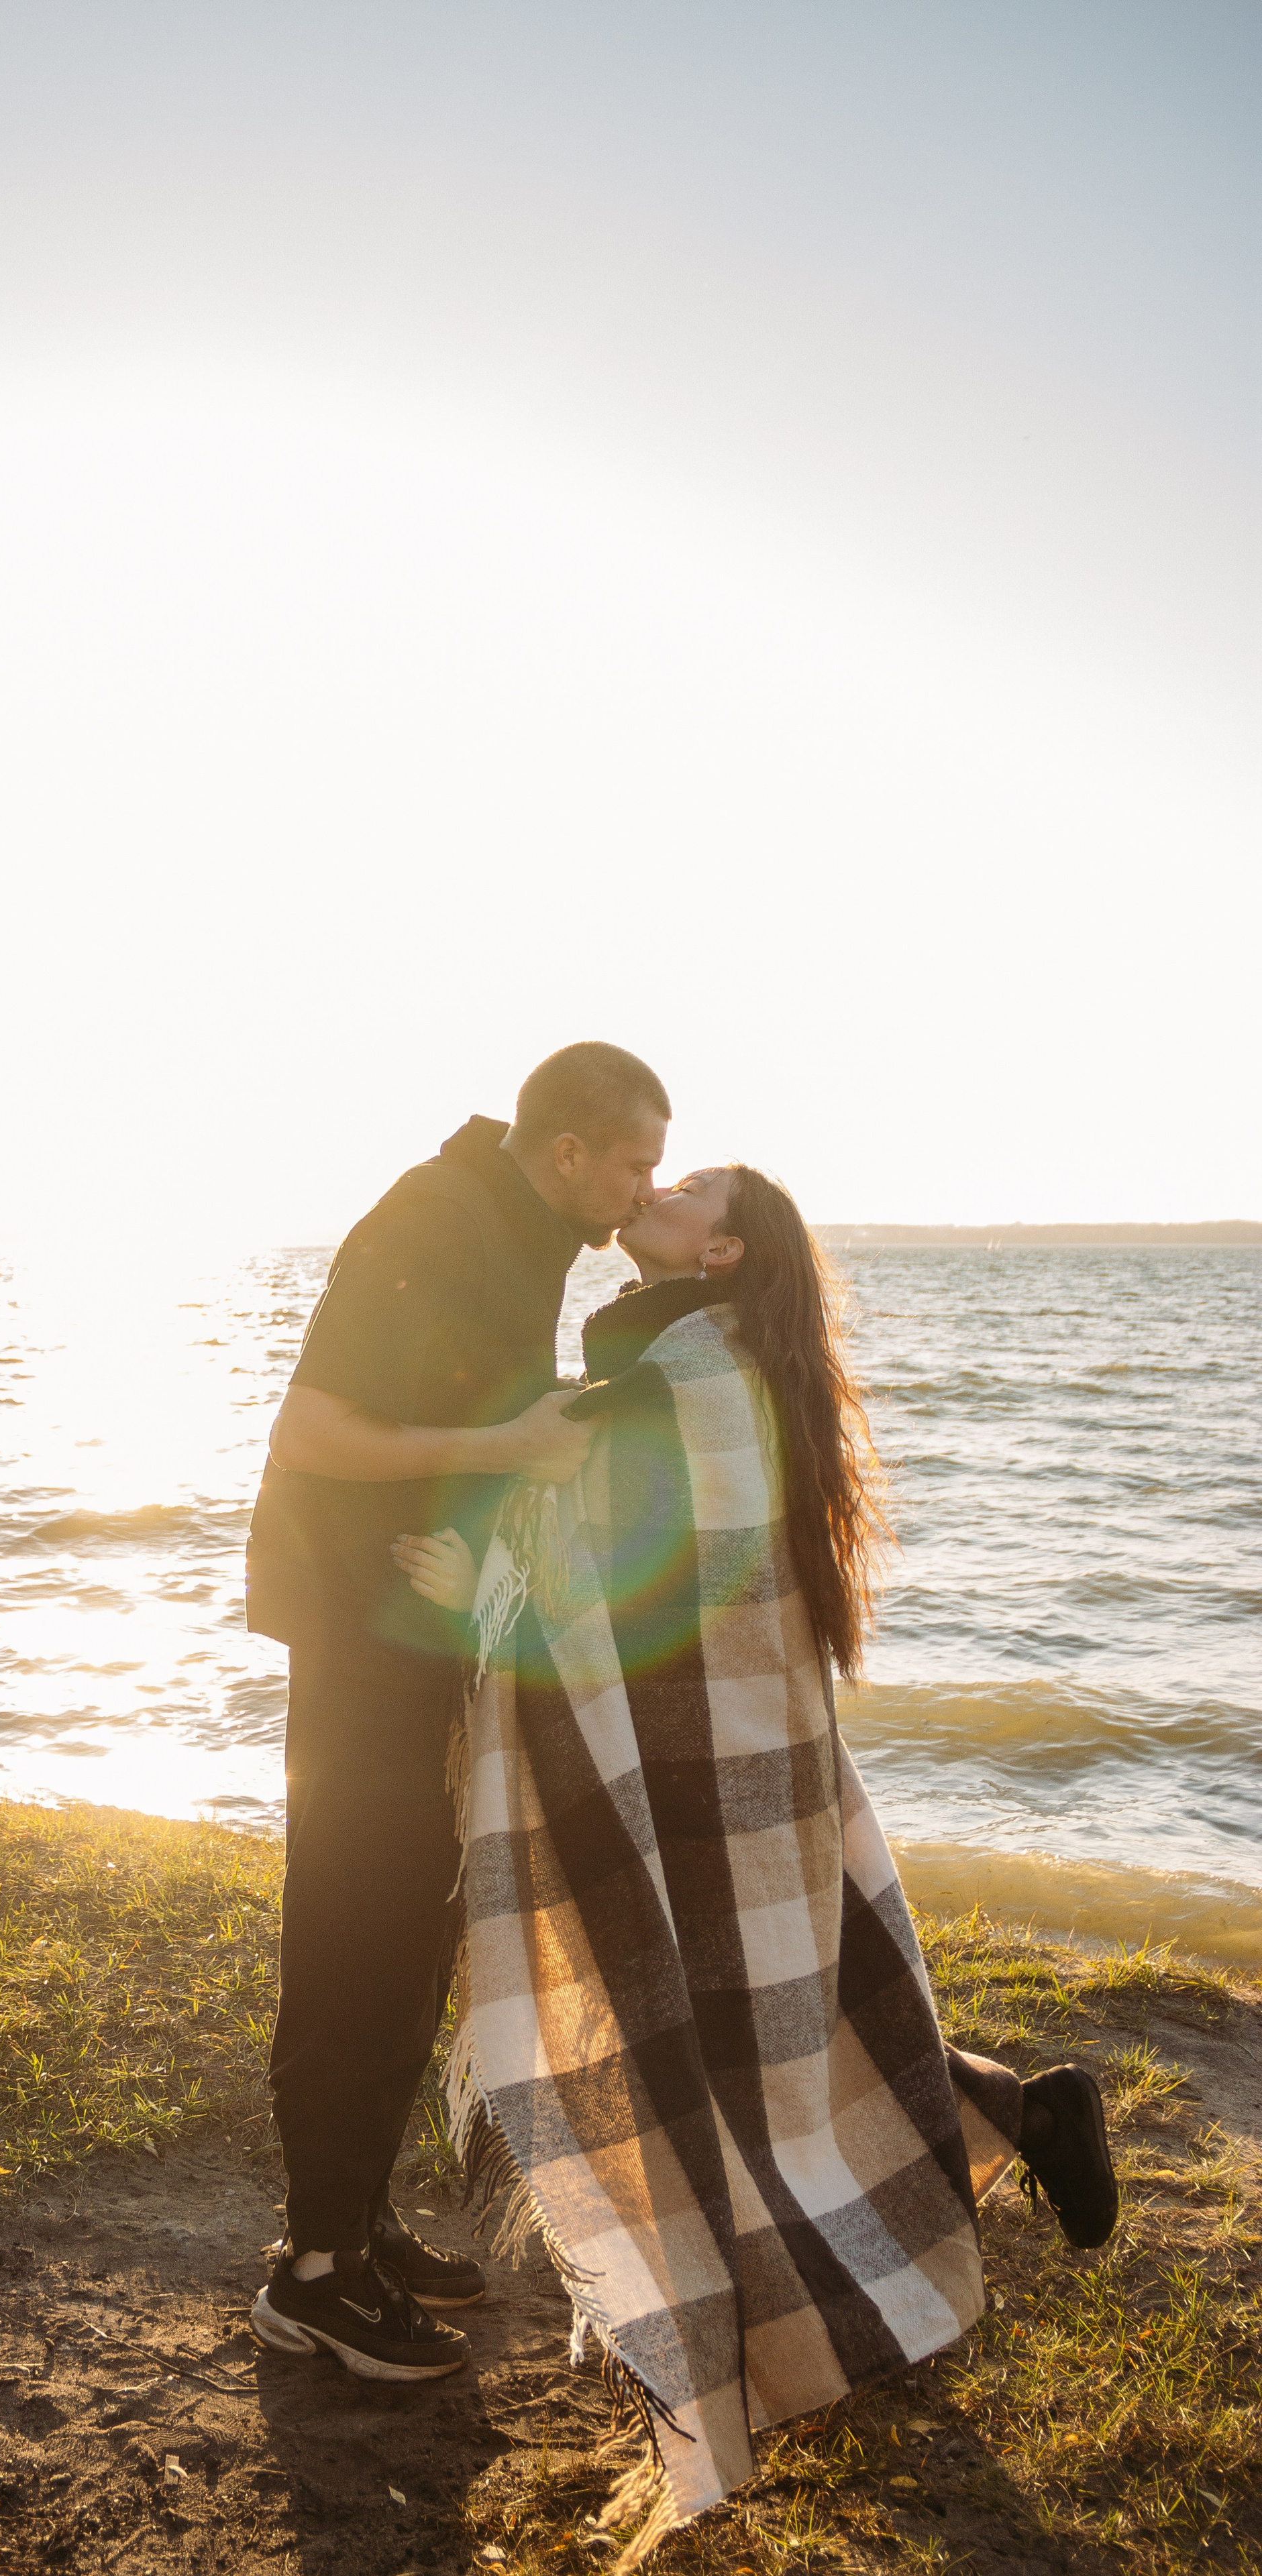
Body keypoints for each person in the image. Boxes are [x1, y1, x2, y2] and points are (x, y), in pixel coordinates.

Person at [395, 1164, 1116, 2540]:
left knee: (749, 2024)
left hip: (705, 1738)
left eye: (686, 1186)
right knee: (789, 2017)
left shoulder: (691, 1375)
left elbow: (646, 1562)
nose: (653, 1187)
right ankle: (1025, 2116)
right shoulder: (697, 1357)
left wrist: (488, 1598)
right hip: (738, 1729)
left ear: (718, 1248)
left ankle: (779, 2291)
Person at [244, 1042, 672, 2379]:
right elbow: (307, 1428)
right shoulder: (434, 1216)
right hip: (361, 1623)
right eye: (634, 1163)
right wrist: (499, 1451)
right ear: (567, 1155)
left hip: (431, 1623)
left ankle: (355, 2225)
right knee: (351, 1925)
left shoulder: (524, 1223)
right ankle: (312, 2273)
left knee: (416, 1930)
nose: (640, 1189)